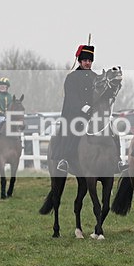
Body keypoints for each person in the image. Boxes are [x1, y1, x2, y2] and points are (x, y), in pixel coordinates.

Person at [54, 44, 96, 173]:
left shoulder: (96, 77)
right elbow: (72, 97)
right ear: (80, 61)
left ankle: (116, 160)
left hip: (93, 114)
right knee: (74, 129)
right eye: (85, 60)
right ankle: (65, 159)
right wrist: (83, 107)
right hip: (76, 113)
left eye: (90, 61)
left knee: (111, 130)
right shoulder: (71, 78)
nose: (87, 63)